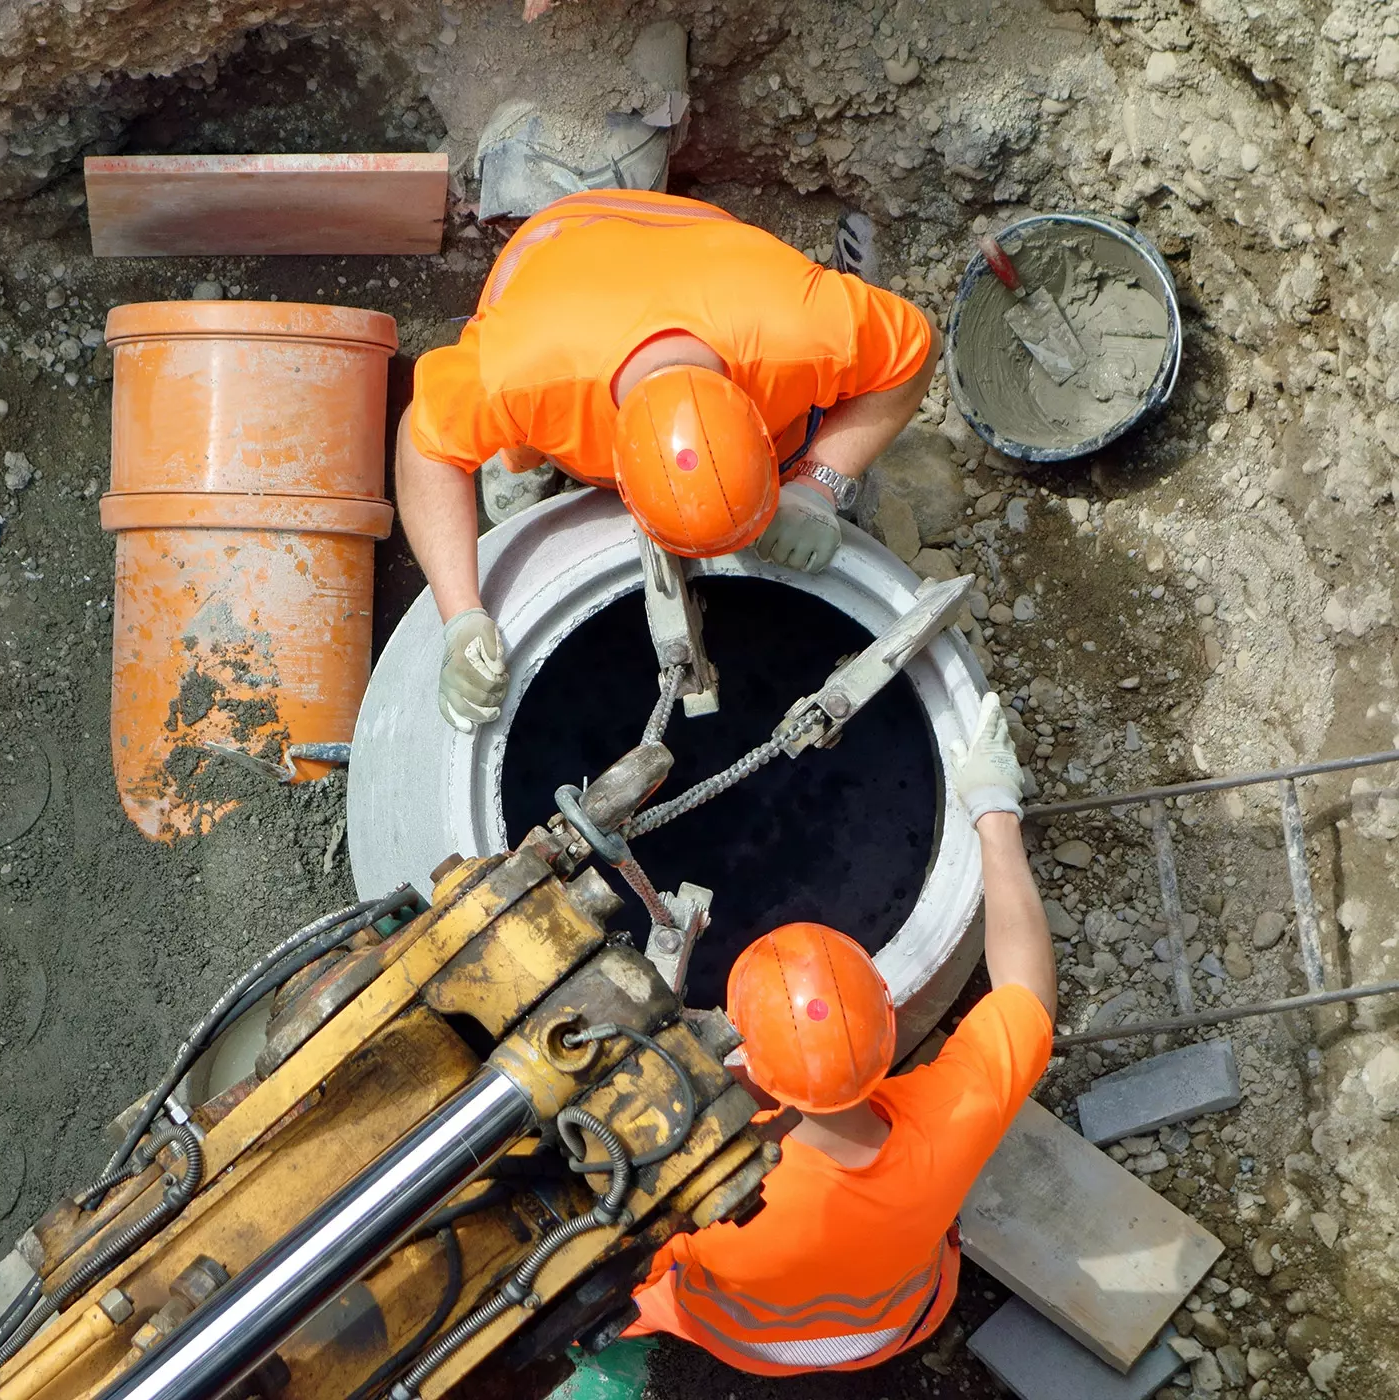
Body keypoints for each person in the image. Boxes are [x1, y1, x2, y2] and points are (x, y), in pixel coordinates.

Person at [397, 190, 941, 733]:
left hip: (708, 246)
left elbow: (917, 349)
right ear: (616, 472)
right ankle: (540, 459)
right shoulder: (516, 377)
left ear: (757, 417)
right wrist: (462, 615)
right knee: (518, 456)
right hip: (560, 248)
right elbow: (423, 444)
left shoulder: (807, 334)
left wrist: (819, 482)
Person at [622, 690, 1053, 1375]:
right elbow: (1027, 994)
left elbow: (593, 1283)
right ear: (889, 1023)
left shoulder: (697, 1195)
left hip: (744, 1344)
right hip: (895, 1323)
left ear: (747, 1063)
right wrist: (995, 809)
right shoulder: (947, 1129)